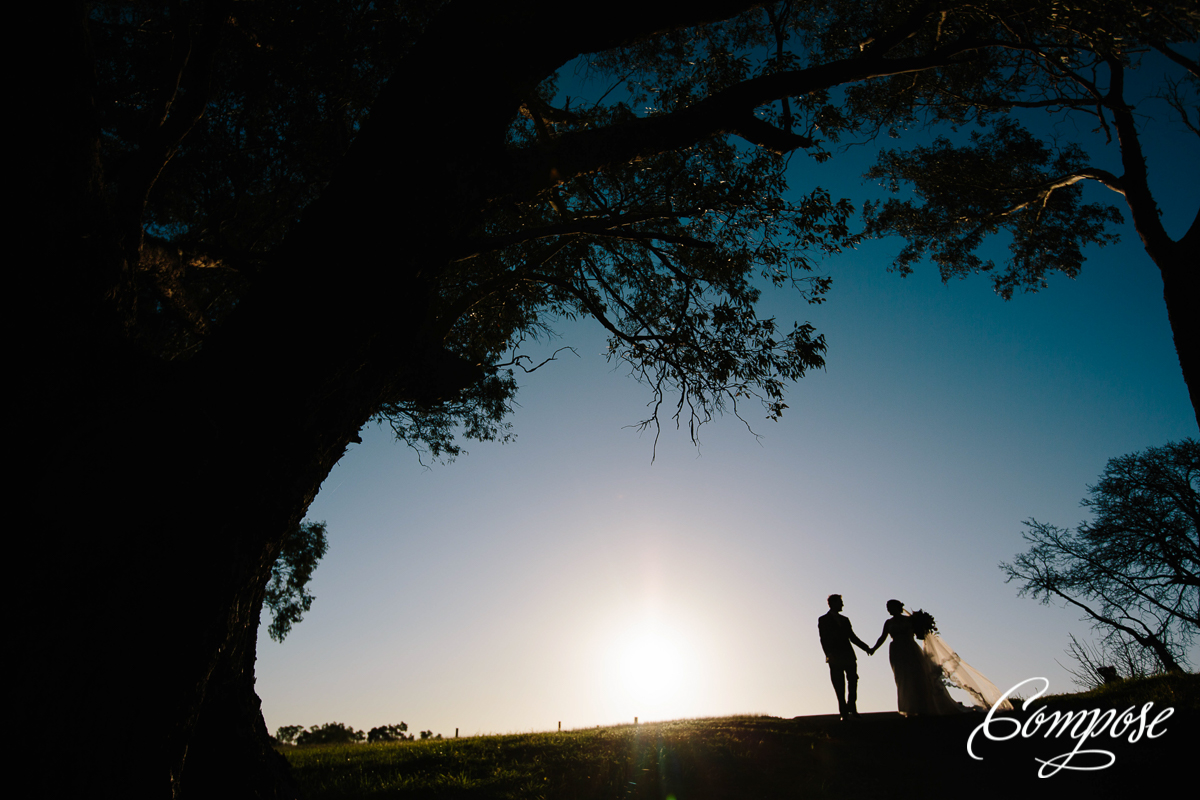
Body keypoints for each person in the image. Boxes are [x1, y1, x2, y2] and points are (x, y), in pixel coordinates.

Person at [869, 599, 1012, 716]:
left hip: (910, 649)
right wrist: (873, 649)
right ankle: (910, 707)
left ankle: (923, 706)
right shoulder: (888, 623)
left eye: (890, 607)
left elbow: (921, 635)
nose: (889, 610)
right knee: (903, 678)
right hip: (896, 651)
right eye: (888, 607)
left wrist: (922, 627)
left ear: (897, 607)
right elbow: (882, 637)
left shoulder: (910, 620)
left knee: (917, 676)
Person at [818, 594, 872, 720]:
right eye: (840, 602)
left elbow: (852, 637)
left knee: (853, 681)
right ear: (833, 603)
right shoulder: (823, 620)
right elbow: (823, 639)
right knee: (839, 684)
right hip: (834, 656)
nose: (842, 605)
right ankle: (843, 712)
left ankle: (852, 708)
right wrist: (828, 655)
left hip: (849, 655)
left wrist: (866, 648)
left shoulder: (845, 620)